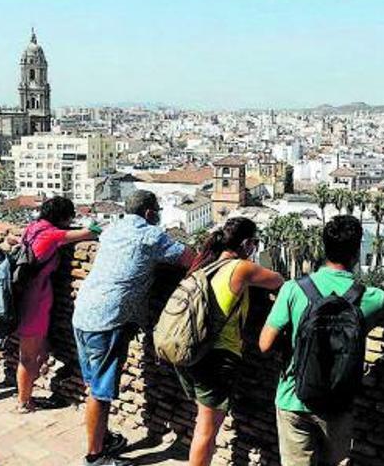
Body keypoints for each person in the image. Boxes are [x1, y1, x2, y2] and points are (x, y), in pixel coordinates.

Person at [259, 215, 384, 466]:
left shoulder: (293, 289)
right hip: (338, 400)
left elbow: (265, 344)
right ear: (356, 252)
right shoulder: (370, 298)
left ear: (324, 248)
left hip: (293, 396)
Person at [72, 190, 195, 466]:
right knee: (100, 393)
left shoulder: (110, 230)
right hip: (109, 320)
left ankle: (100, 438)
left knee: (93, 384)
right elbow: (189, 258)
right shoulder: (150, 236)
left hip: (84, 312)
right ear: (150, 214)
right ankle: (95, 456)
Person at [176, 217, 285, 466]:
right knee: (206, 430)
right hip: (216, 357)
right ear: (246, 243)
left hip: (189, 350)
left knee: (202, 422)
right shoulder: (241, 268)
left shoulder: (204, 264)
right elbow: (278, 281)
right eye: (254, 243)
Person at [15, 196, 99, 413]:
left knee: (34, 351)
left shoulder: (33, 228)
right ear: (63, 217)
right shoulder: (53, 234)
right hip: (34, 301)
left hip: (28, 296)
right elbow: (91, 233)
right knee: (27, 356)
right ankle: (24, 401)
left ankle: (27, 395)